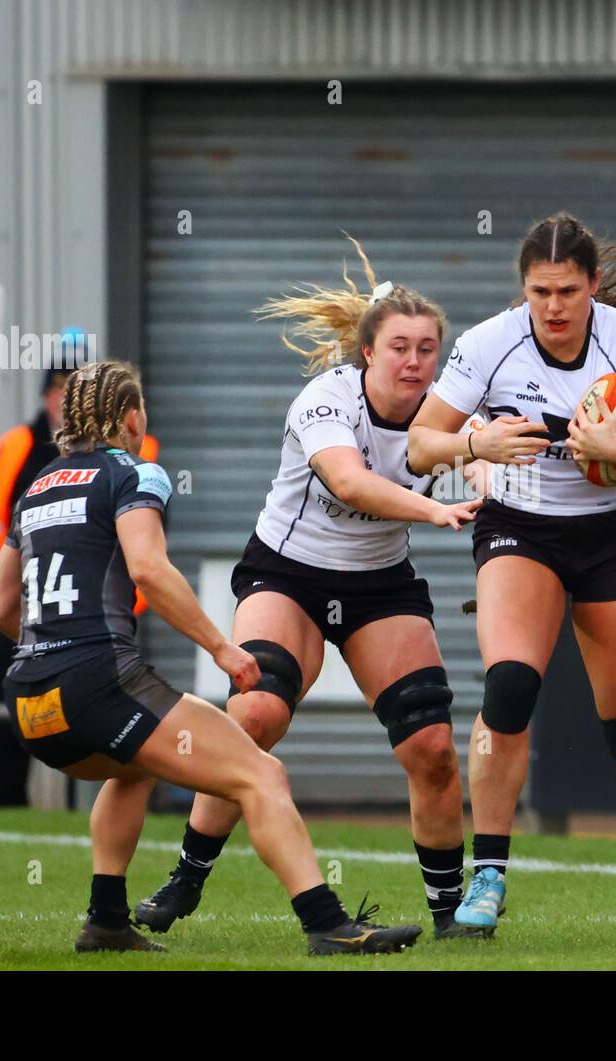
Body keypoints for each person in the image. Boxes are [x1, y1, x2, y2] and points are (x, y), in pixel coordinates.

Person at [0, 359, 421, 956]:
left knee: (132, 765)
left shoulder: (36, 488)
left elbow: (1, 608)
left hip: (29, 697)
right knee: (261, 774)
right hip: (97, 683)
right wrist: (222, 648)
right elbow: (148, 568)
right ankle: (328, 924)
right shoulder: (136, 474)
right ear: (133, 416)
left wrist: (47, 656)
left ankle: (107, 920)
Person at [134, 243, 488, 941]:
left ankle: (451, 916)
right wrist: (434, 509)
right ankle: (186, 875)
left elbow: (483, 466)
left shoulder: (446, 413)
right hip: (288, 572)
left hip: (379, 585)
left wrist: (496, 479)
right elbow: (351, 483)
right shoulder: (327, 398)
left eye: (427, 348)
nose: (414, 361)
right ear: (366, 352)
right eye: (399, 347)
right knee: (257, 712)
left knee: (432, 747)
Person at [407, 211, 616, 944]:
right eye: (540, 291)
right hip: (522, 526)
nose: (552, 306)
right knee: (509, 687)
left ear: (594, 286)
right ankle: (488, 876)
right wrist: (474, 440)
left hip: (613, 535)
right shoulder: (489, 342)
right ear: (523, 288)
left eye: (567, 291)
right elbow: (422, 446)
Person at [0, 342, 158, 805]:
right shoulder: (21, 445)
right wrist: (28, 592)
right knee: (28, 736)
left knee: (117, 744)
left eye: (70, 388)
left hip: (96, 626)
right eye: (55, 388)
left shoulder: (139, 456)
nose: (61, 398)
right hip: (37, 619)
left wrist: (117, 605)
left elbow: (149, 553)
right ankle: (8, 810)